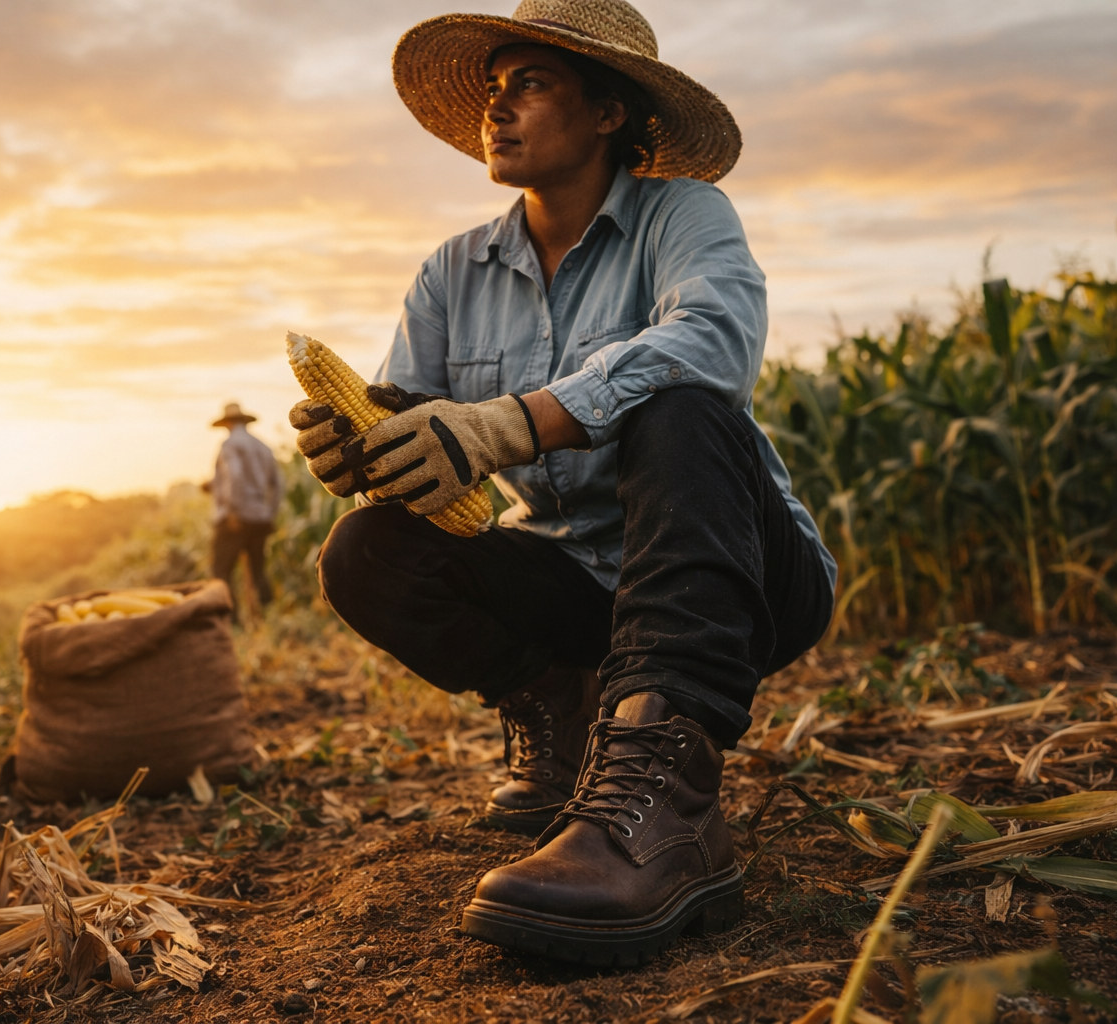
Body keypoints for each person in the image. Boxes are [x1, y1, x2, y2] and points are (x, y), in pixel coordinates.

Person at [289, 0, 837, 965]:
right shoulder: (451, 272)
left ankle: (666, 802)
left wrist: (512, 421)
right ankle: (560, 708)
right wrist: (369, 448)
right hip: (576, 586)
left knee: (675, 399)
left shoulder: (685, 215)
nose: (496, 111)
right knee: (366, 552)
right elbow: (425, 450)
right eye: (493, 91)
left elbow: (710, 343)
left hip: (739, 583)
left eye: (529, 85)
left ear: (609, 113)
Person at [205, 402, 282, 619]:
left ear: (227, 423)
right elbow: (278, 485)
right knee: (258, 570)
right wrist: (270, 514)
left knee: (221, 571)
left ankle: (231, 620)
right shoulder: (263, 447)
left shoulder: (230, 445)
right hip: (260, 517)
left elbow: (235, 477)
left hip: (235, 517)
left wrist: (232, 511)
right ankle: (269, 616)